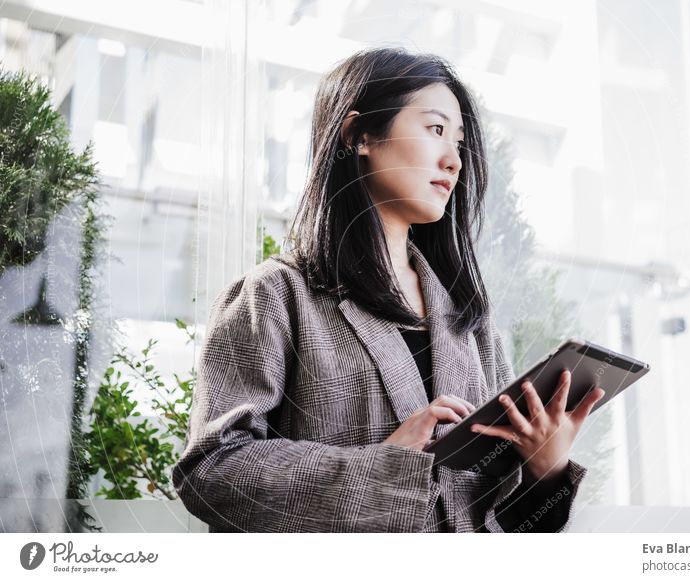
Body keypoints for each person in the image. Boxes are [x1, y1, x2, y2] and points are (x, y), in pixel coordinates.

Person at [172, 46, 604, 533]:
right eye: (435, 129)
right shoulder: (276, 296)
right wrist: (382, 466)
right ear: (359, 135)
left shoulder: (468, 323)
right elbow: (211, 471)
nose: (453, 161)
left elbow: (497, 521)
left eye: (459, 142)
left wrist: (545, 470)